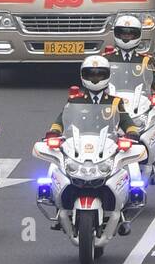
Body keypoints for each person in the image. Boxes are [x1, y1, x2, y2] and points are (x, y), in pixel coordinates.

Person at [48, 56, 143, 230]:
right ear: (83, 76)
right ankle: (57, 207)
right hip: (80, 144)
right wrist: (54, 131)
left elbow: (126, 121)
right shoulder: (74, 100)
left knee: (129, 165)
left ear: (107, 76)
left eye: (100, 74)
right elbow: (62, 119)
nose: (95, 78)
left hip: (107, 144)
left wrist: (132, 133)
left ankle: (126, 208)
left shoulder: (115, 101)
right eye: (91, 74)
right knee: (56, 164)